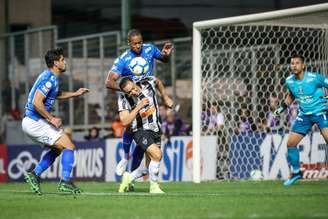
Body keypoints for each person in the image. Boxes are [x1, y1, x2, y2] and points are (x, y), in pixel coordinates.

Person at [105, 29, 174, 176]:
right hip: (131, 96)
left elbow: (163, 59)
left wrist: (166, 55)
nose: (138, 46)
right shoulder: (123, 60)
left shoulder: (149, 49)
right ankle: (124, 157)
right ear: (129, 43)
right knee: (130, 126)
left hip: (148, 94)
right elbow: (109, 82)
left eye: (140, 43)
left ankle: (130, 177)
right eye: (135, 44)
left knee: (144, 140)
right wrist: (127, 89)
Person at [21, 48, 89, 195]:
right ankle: (65, 181)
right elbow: (36, 102)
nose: (65, 62)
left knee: (58, 148)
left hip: (32, 122)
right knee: (69, 146)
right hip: (34, 122)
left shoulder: (51, 78)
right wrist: (51, 118)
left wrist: (75, 93)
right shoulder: (48, 78)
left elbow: (57, 94)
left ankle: (35, 174)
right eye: (63, 59)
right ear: (56, 62)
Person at [274, 53, 328, 186]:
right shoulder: (289, 81)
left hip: (320, 113)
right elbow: (291, 95)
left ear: (303, 65)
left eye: (297, 63)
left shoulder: (314, 78)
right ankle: (297, 173)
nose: (294, 66)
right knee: (290, 143)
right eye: (292, 63)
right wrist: (282, 107)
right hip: (304, 115)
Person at [117, 77, 168, 194]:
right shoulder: (123, 99)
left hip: (156, 129)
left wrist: (165, 97)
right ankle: (154, 187)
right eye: (129, 92)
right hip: (140, 131)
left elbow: (159, 81)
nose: (133, 92)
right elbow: (124, 122)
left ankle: (128, 178)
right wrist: (138, 107)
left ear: (134, 83)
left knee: (149, 166)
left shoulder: (148, 83)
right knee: (157, 154)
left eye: (133, 89)